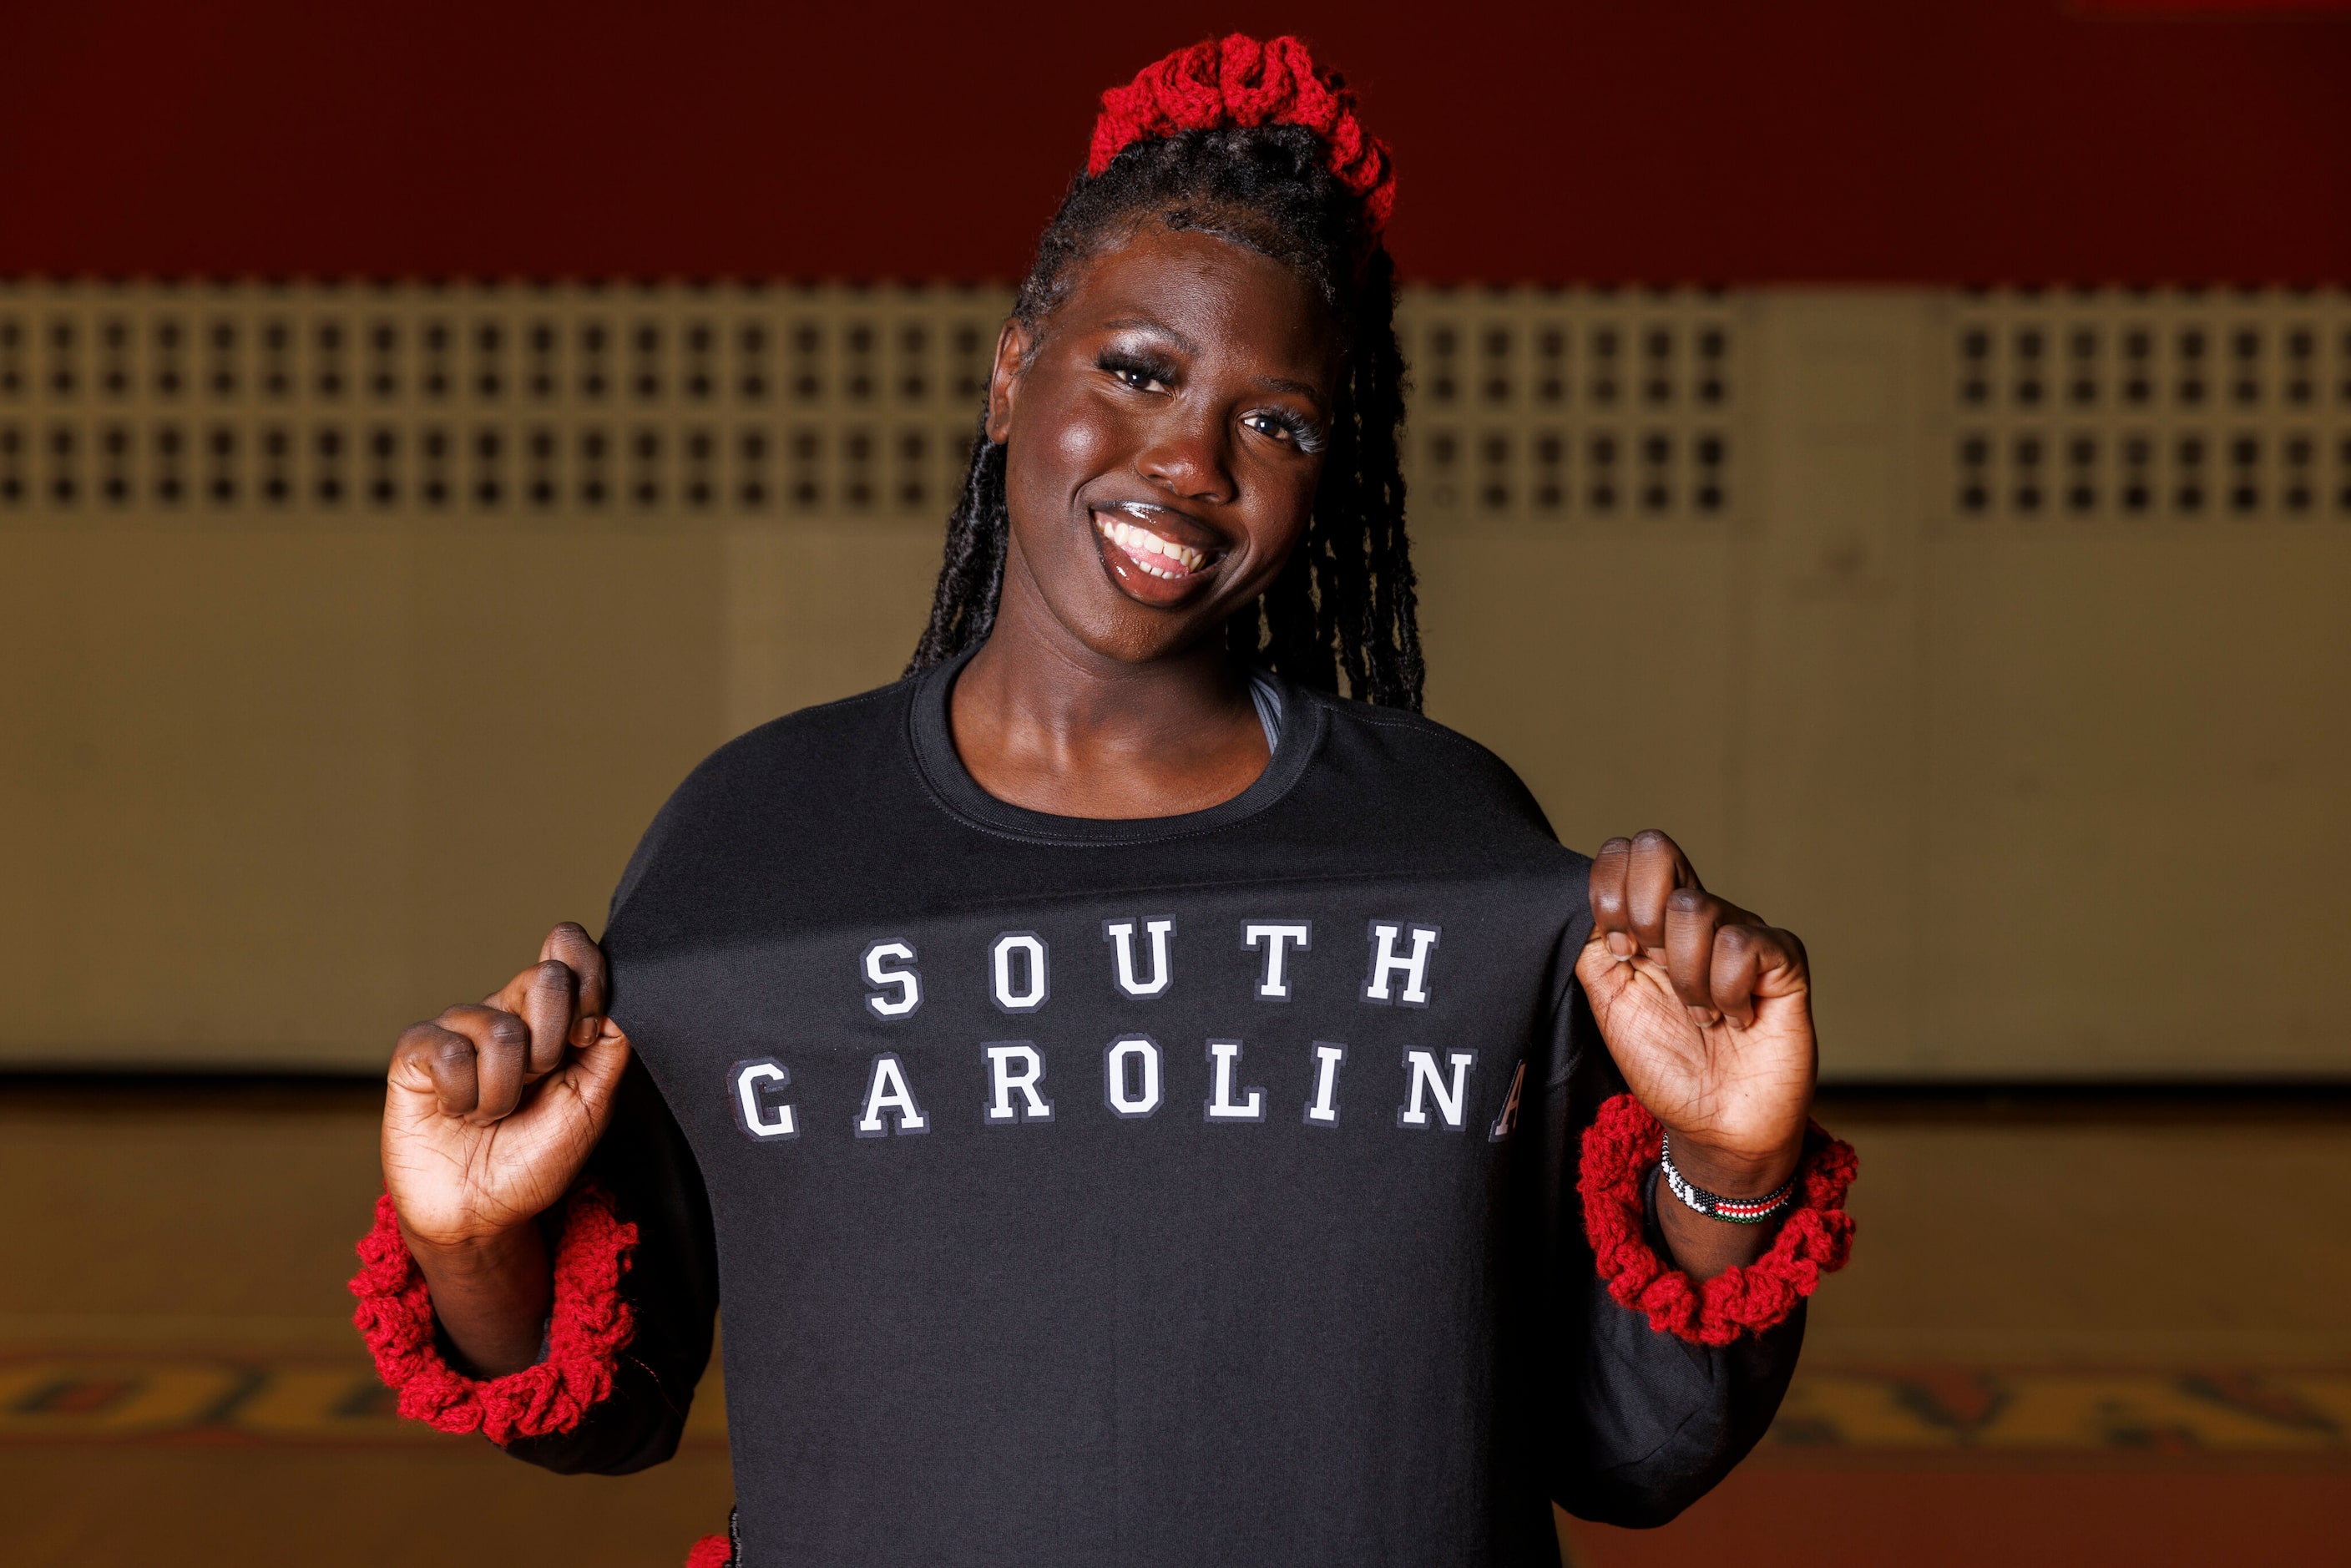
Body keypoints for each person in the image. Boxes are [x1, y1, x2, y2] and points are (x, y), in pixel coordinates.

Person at [351, 35, 1855, 1568]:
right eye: (1138, 371)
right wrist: (470, 1241)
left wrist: (1730, 1168)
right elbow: (613, 1401)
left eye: (1276, 421)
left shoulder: (1456, 853)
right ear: (1013, 374)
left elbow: (1628, 1440)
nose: (1191, 460)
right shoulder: (754, 850)